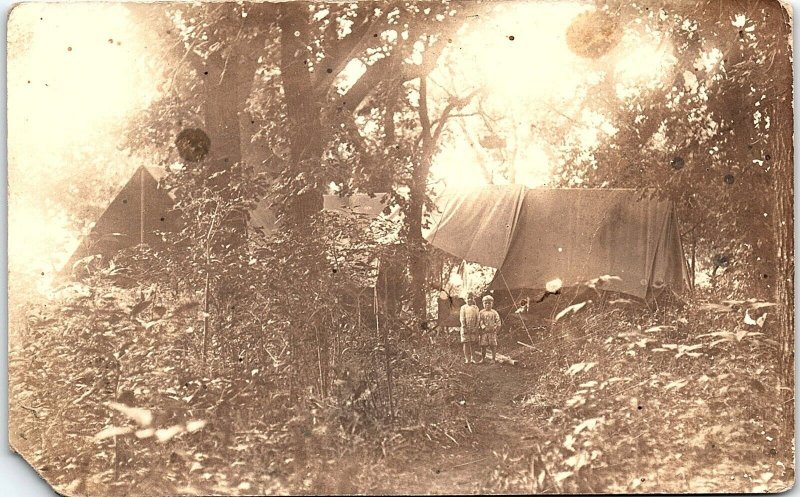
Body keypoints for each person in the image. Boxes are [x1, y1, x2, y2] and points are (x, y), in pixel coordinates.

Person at [478, 295, 501, 363]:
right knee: (483, 345)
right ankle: (483, 358)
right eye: (486, 303)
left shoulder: (494, 312)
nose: (487, 305)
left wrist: (496, 328)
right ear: (483, 304)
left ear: (492, 304)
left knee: (493, 345)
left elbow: (498, 321)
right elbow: (480, 321)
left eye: (489, 303)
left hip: (492, 332)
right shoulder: (481, 312)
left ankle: (493, 359)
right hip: (484, 332)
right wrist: (483, 327)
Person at [459, 294, 480, 364]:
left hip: (473, 327)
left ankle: (473, 358)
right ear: (465, 299)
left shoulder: (476, 308)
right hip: (465, 327)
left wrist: (476, 327)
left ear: (473, 299)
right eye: (468, 298)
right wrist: (464, 327)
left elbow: (478, 318)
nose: (469, 300)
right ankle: (467, 359)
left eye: (471, 298)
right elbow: (462, 318)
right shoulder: (463, 307)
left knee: (472, 343)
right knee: (466, 343)